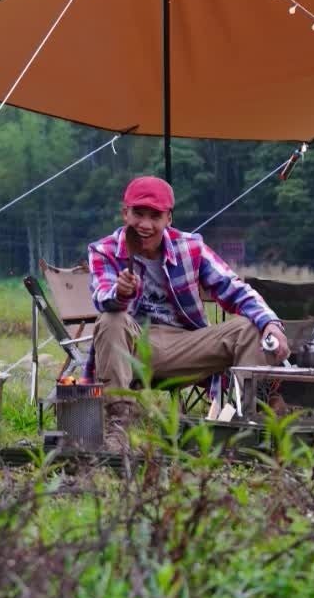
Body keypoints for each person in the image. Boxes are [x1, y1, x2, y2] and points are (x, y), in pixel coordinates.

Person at [87, 175, 289, 448]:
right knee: (111, 320)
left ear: (168, 218)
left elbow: (234, 288)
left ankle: (251, 426)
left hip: (185, 345)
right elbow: (102, 295)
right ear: (125, 213)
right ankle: (120, 428)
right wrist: (119, 292)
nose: (145, 225)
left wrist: (270, 323)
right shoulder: (104, 250)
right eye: (138, 214)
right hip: (133, 345)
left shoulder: (191, 247)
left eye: (155, 216)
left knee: (251, 327)